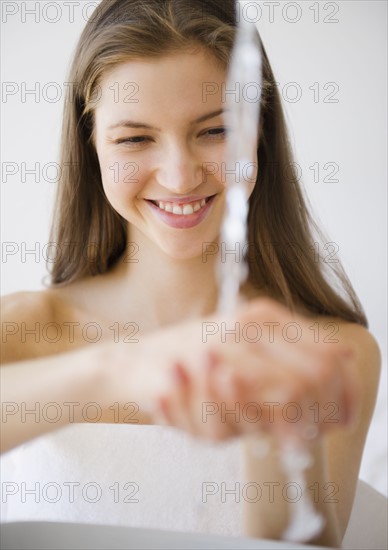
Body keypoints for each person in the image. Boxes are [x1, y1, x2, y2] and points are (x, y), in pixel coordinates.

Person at [0, 0, 381, 546]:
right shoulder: (24, 328)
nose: (179, 177)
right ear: (92, 148)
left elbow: (297, 544)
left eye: (214, 131)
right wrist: (120, 367)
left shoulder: (332, 352)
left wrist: (277, 436)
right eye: (135, 139)